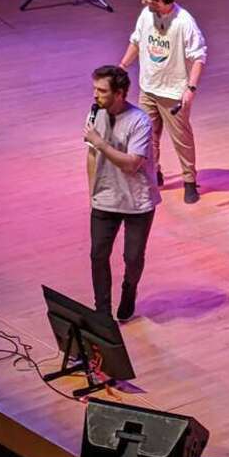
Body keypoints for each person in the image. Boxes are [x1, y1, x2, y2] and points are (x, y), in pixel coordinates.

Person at [118, 0, 207, 204]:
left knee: (182, 139)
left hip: (173, 92)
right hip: (148, 87)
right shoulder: (146, 15)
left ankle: (189, 181)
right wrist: (122, 66)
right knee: (147, 137)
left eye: (149, 0)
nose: (144, 4)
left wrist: (191, 89)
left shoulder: (184, 22)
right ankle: (152, 173)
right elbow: (136, 41)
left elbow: (199, 57)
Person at [84, 66, 161, 321]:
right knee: (98, 255)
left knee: (133, 257)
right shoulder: (96, 113)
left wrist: (100, 142)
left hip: (137, 201)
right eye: (95, 89)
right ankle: (102, 312)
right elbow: (91, 154)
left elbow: (131, 164)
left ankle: (129, 290)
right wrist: (92, 191)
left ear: (119, 94)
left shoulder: (140, 121)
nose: (95, 95)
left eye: (102, 91)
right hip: (105, 197)